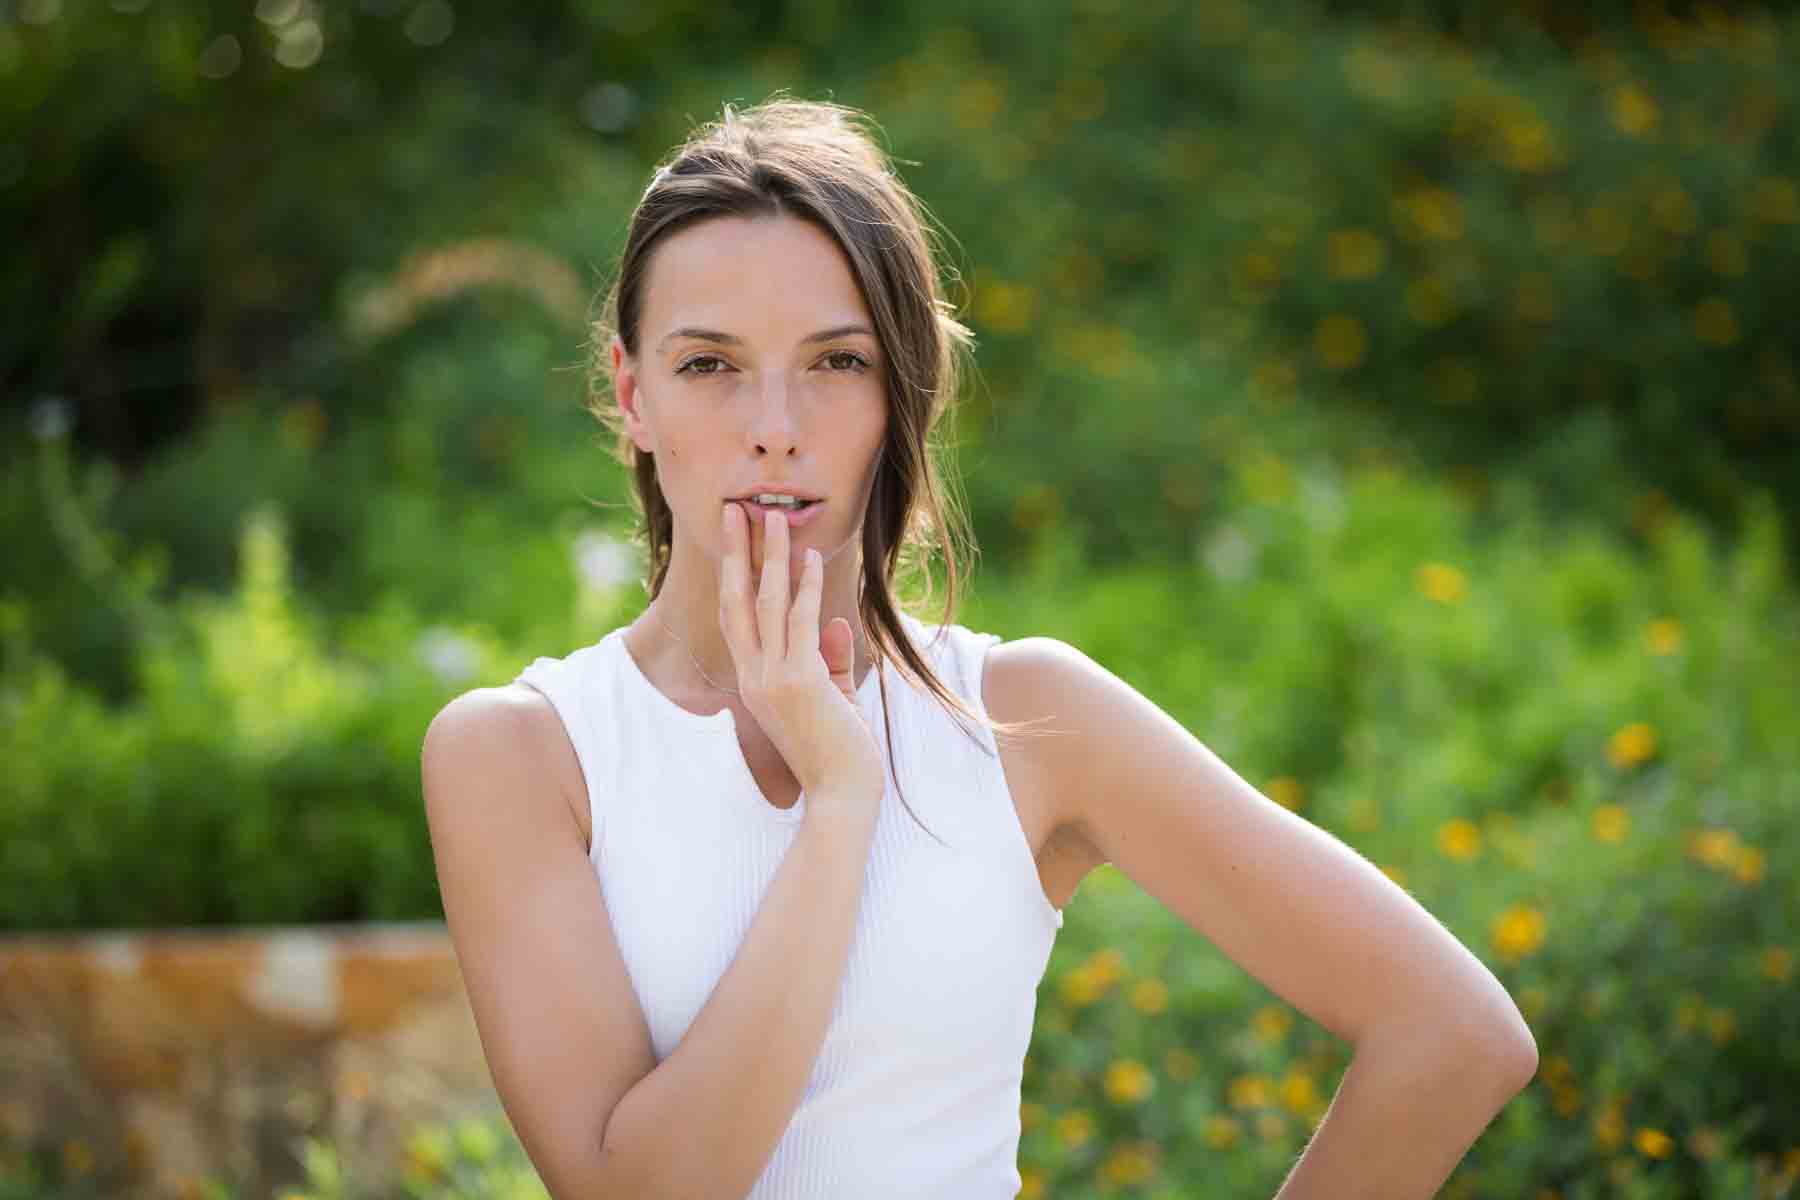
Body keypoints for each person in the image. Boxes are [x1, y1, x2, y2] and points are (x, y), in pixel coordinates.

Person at [420, 97, 1538, 1199]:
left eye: (837, 362)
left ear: (907, 392)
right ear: (632, 397)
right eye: (710, 363)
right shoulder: (524, 756)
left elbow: (1452, 1035)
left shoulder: (1022, 716)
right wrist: (842, 796)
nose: (775, 421)